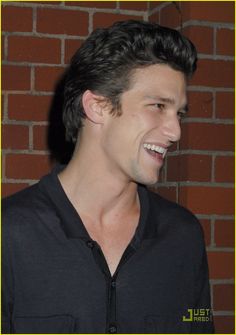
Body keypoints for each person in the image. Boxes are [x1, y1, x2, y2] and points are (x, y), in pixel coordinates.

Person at [2, 20, 214, 334]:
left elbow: (196, 324)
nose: (175, 132)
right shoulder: (9, 234)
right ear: (98, 107)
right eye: (157, 106)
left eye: (179, 113)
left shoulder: (183, 236)